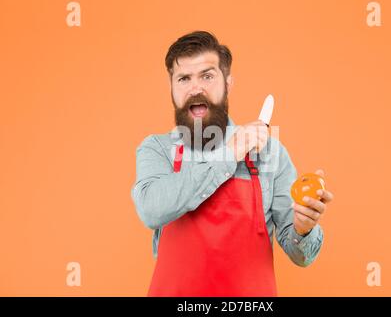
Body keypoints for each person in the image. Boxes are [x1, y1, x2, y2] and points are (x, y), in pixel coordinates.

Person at [131, 31, 334, 296]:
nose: (195, 88)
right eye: (183, 79)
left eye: (207, 76)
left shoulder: (270, 153)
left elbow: (300, 255)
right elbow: (152, 209)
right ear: (172, 88)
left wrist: (304, 228)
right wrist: (231, 151)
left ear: (228, 83)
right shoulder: (158, 149)